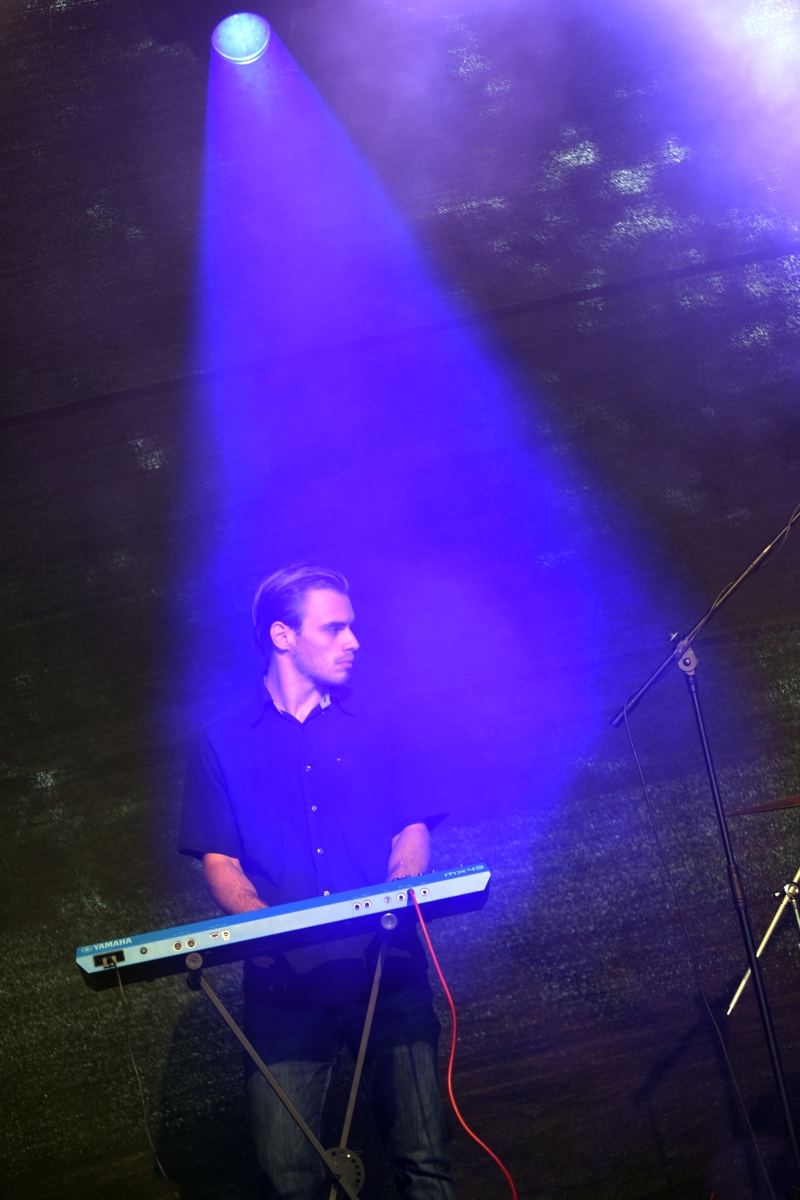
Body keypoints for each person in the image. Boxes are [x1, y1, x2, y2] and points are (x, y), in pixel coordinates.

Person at [178, 563, 456, 1200]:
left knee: (424, 1163)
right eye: (334, 628)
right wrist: (269, 931)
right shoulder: (222, 741)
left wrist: (396, 893)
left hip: (388, 974)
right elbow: (220, 861)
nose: (353, 641)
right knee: (288, 1178)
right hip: (285, 988)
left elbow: (411, 827)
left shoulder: (381, 722)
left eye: (351, 627)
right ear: (283, 636)